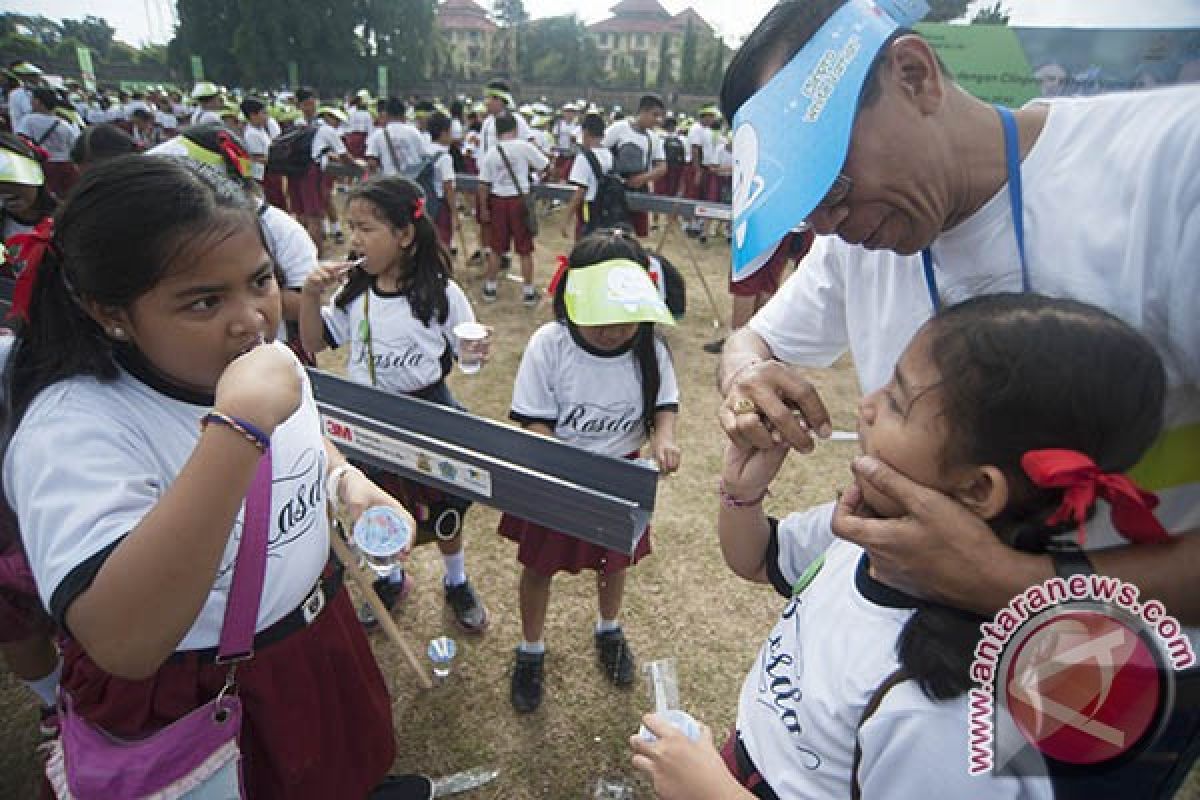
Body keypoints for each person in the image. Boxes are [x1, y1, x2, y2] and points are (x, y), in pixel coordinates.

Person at [715, 0, 1200, 639]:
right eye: (803, 211)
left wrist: (1009, 581)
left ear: (915, 75)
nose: (829, 226)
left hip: (1119, 694)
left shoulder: (1172, 166)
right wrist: (748, 375)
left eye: (830, 185)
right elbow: (752, 340)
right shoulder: (859, 237)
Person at [635, 293, 1168, 799]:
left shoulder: (943, 716)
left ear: (979, 489)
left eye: (896, 400)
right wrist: (742, 496)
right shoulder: (873, 533)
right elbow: (755, 558)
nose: (865, 405)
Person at [2, 154, 406, 797]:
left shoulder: (263, 361)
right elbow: (126, 641)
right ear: (110, 311)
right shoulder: (75, 428)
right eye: (204, 301)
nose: (250, 318)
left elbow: (303, 438)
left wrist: (342, 480)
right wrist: (238, 426)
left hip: (315, 638)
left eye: (260, 281)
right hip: (208, 686)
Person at [298, 176, 490, 634]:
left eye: (367, 228)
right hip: (368, 419)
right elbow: (313, 342)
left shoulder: (440, 292)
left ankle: (457, 579)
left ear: (404, 235)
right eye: (352, 228)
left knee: (442, 505)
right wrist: (309, 295)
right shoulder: (353, 293)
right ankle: (391, 574)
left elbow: (469, 349)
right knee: (379, 504)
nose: (355, 239)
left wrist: (476, 351)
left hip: (427, 413)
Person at [500, 229, 681, 713]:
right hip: (557, 474)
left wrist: (664, 438)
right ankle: (531, 649)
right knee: (538, 566)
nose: (612, 330)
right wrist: (553, 459)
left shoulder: (650, 348)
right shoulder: (550, 345)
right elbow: (533, 420)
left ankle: (609, 628)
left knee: (613, 561)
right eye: (598, 317)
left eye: (623, 317)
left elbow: (665, 406)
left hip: (619, 477)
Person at [476, 112, 548, 306]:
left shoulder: (492, 152)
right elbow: (544, 165)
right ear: (515, 129)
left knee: (496, 248)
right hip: (519, 201)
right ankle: (528, 292)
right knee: (525, 249)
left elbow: (483, 184)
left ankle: (490, 288)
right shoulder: (524, 147)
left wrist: (483, 209)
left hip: (498, 200)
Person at [602, 94, 667, 238]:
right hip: (614, 190)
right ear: (643, 111)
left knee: (637, 235)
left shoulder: (654, 138)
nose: (657, 120)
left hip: (639, 189)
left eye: (660, 116)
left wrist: (643, 178)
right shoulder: (619, 128)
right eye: (654, 115)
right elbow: (600, 150)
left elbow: (662, 167)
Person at [15, 88, 79, 200]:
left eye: (32, 99)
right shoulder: (65, 123)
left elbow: (21, 141)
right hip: (67, 166)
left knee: (47, 198)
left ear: (38, 102)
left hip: (44, 165)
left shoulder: (29, 120)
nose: (30, 102)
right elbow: (75, 145)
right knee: (68, 197)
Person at [560, 112, 614, 241]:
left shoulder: (583, 158)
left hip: (588, 208)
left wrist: (566, 219)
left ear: (585, 132)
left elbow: (580, 192)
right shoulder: (609, 155)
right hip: (607, 208)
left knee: (584, 246)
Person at [366, 97, 426, 177]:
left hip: (391, 183)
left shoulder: (377, 135)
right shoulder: (415, 132)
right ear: (404, 114)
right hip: (412, 184)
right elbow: (423, 157)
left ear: (386, 114)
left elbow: (372, 164)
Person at [426, 111, 458, 250]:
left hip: (425, 201)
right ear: (444, 133)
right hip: (440, 204)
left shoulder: (424, 151)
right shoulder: (444, 157)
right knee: (443, 241)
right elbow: (448, 186)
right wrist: (454, 213)